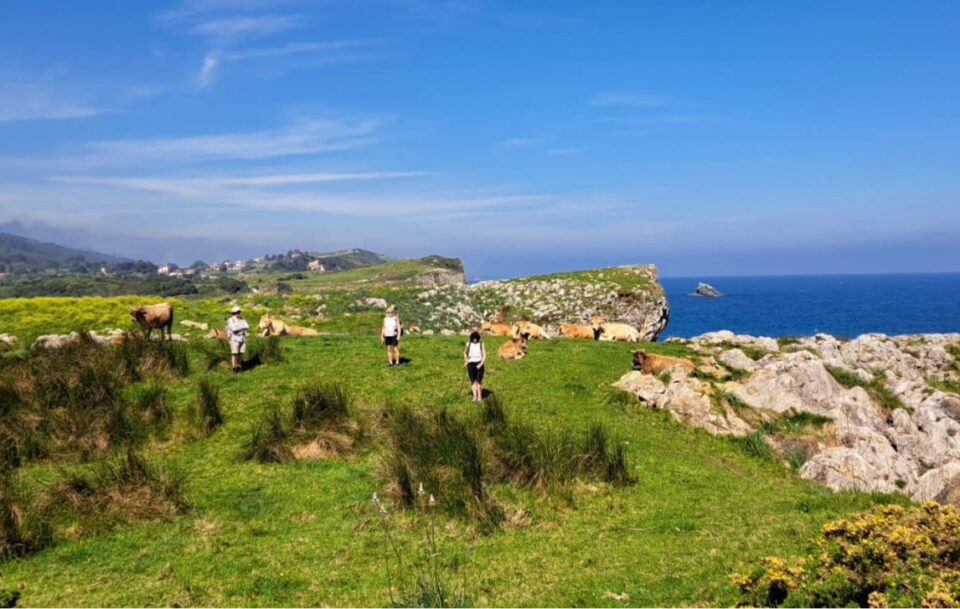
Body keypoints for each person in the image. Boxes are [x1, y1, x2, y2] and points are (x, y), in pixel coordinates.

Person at [226, 305, 249, 374]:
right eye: (238, 312)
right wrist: (242, 327)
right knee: (235, 354)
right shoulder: (230, 320)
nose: (239, 313)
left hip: (242, 338)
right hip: (234, 339)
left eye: (239, 312)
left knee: (241, 353)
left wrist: (239, 327)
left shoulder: (242, 319)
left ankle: (239, 367)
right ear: (234, 313)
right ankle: (234, 369)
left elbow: (247, 326)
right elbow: (234, 329)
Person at [464, 331, 486, 402]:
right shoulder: (468, 344)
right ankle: (474, 397)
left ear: (478, 337)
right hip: (470, 364)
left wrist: (481, 364)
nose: (475, 339)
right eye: (473, 337)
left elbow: (484, 354)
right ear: (471, 338)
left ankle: (479, 397)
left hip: (479, 363)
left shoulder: (481, 344)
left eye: (476, 337)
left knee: (479, 381)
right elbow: (465, 352)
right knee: (473, 381)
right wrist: (466, 361)